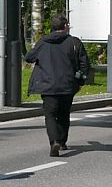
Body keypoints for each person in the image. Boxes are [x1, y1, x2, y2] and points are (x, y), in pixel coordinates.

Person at [24, 14, 90, 157]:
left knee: (50, 114)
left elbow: (29, 57)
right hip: (67, 84)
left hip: (47, 85)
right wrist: (81, 82)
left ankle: (54, 141)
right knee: (64, 114)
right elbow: (84, 64)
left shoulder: (43, 42)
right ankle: (62, 141)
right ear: (65, 26)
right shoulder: (74, 42)